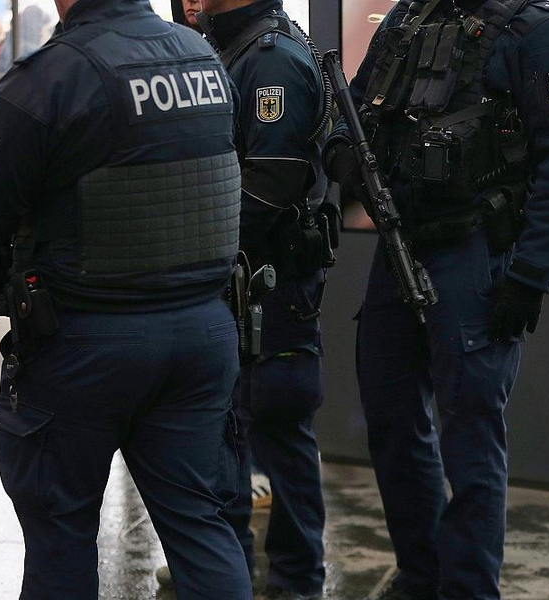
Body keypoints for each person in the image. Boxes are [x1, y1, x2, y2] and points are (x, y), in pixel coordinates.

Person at [0, 0, 251, 597]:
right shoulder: (203, 58)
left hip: (86, 344)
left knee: (60, 530)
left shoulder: (52, 77)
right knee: (200, 526)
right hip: (202, 336)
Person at [324, 1, 549, 599]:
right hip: (401, 246)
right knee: (392, 422)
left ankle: (469, 589)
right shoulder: (410, 17)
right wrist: (343, 150)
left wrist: (531, 276)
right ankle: (423, 577)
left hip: (476, 253)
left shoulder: (539, 32)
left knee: (470, 436)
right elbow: (356, 104)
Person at [170, 1, 332, 598]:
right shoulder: (230, 47)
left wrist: (192, 238)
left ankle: (295, 580)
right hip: (238, 283)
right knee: (227, 433)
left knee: (280, 435)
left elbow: (272, 182)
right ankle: (228, 568)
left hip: (270, 286)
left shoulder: (270, 60)